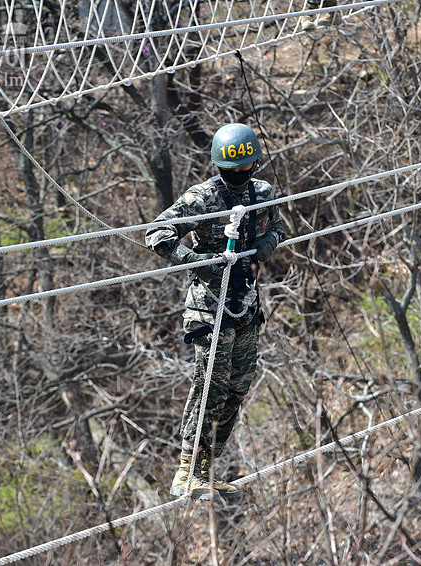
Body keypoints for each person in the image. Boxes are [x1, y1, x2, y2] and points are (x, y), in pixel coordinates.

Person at [145, 123, 286, 500]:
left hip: (246, 306)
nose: (238, 175)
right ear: (218, 166)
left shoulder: (263, 193)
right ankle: (184, 472)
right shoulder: (203, 198)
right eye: (230, 170)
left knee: (237, 389)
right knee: (210, 386)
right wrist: (198, 260)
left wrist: (267, 243)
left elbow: (278, 227)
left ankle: (205, 471)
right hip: (210, 308)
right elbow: (158, 233)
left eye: (244, 169)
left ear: (254, 165)